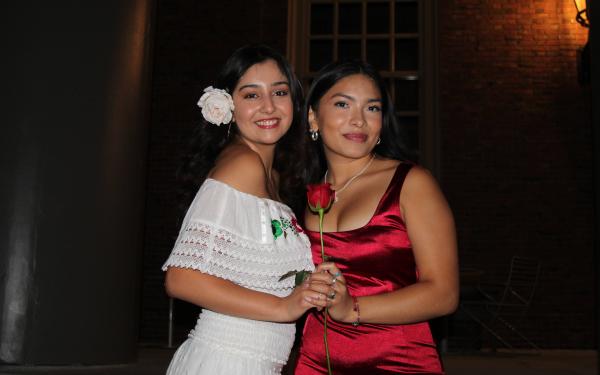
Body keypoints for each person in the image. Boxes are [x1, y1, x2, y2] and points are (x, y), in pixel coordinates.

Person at [162, 44, 329, 375]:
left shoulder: (271, 175)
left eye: (279, 92)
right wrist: (284, 306)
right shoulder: (242, 165)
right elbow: (182, 279)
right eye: (251, 95)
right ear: (227, 106)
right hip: (227, 361)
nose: (269, 106)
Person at [295, 60, 459, 374]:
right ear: (313, 117)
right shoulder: (298, 193)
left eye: (372, 108)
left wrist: (353, 308)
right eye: (343, 104)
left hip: (397, 362)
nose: (358, 120)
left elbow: (444, 294)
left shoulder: (411, 183)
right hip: (316, 362)